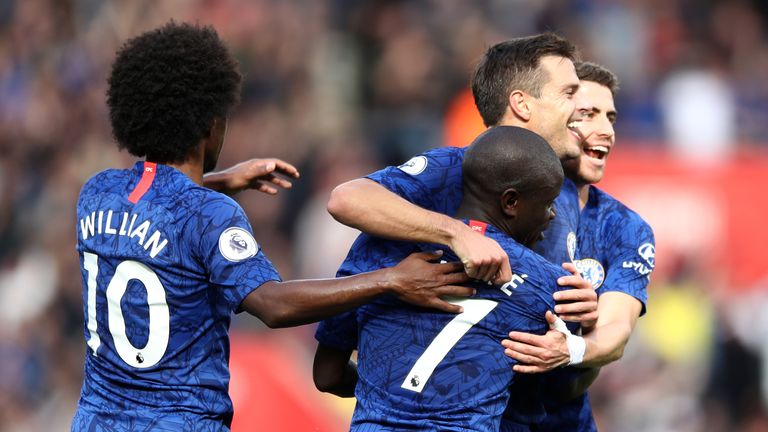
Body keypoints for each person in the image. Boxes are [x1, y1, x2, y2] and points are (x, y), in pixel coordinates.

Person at [70, 21, 472, 431]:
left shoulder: (96, 194)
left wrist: (225, 179)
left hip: (96, 421)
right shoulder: (209, 213)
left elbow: (160, 203)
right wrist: (391, 279)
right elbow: (273, 304)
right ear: (212, 126)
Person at [326, 33, 598, 352]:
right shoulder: (456, 167)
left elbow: (579, 366)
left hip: (532, 400)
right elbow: (346, 199)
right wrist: (457, 233)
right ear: (522, 104)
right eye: (569, 93)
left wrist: (583, 336)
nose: (584, 107)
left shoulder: (571, 197)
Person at [314, 126, 576, 431]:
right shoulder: (552, 288)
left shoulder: (377, 250)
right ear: (511, 202)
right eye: (548, 203)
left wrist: (393, 390)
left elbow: (327, 375)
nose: (552, 215)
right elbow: (562, 391)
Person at [500, 62, 655, 431]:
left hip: (564, 418)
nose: (606, 131)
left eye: (611, 117)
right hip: (488, 411)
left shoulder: (626, 228)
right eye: (587, 114)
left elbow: (616, 331)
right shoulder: (499, 198)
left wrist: (574, 344)